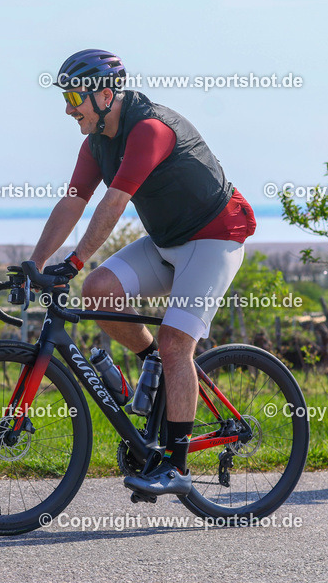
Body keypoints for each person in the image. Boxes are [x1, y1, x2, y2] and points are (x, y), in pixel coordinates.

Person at [29, 49, 256, 496]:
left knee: (176, 345)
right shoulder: (96, 141)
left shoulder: (149, 129)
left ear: (105, 94)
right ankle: (155, 366)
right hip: (169, 241)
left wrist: (72, 263)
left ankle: (177, 466)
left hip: (215, 238)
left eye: (75, 96)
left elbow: (113, 203)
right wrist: (34, 265)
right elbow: (74, 201)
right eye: (66, 98)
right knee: (98, 291)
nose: (69, 108)